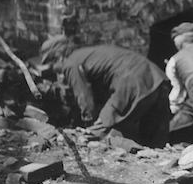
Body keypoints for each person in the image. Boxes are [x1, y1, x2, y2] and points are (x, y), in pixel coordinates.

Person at [40, 36, 171, 147]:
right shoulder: (87, 53)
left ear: (58, 56)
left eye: (52, 64)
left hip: (131, 81)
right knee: (154, 140)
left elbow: (84, 97)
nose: (55, 69)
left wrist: (88, 123)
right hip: (157, 78)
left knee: (97, 132)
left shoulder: (70, 63)